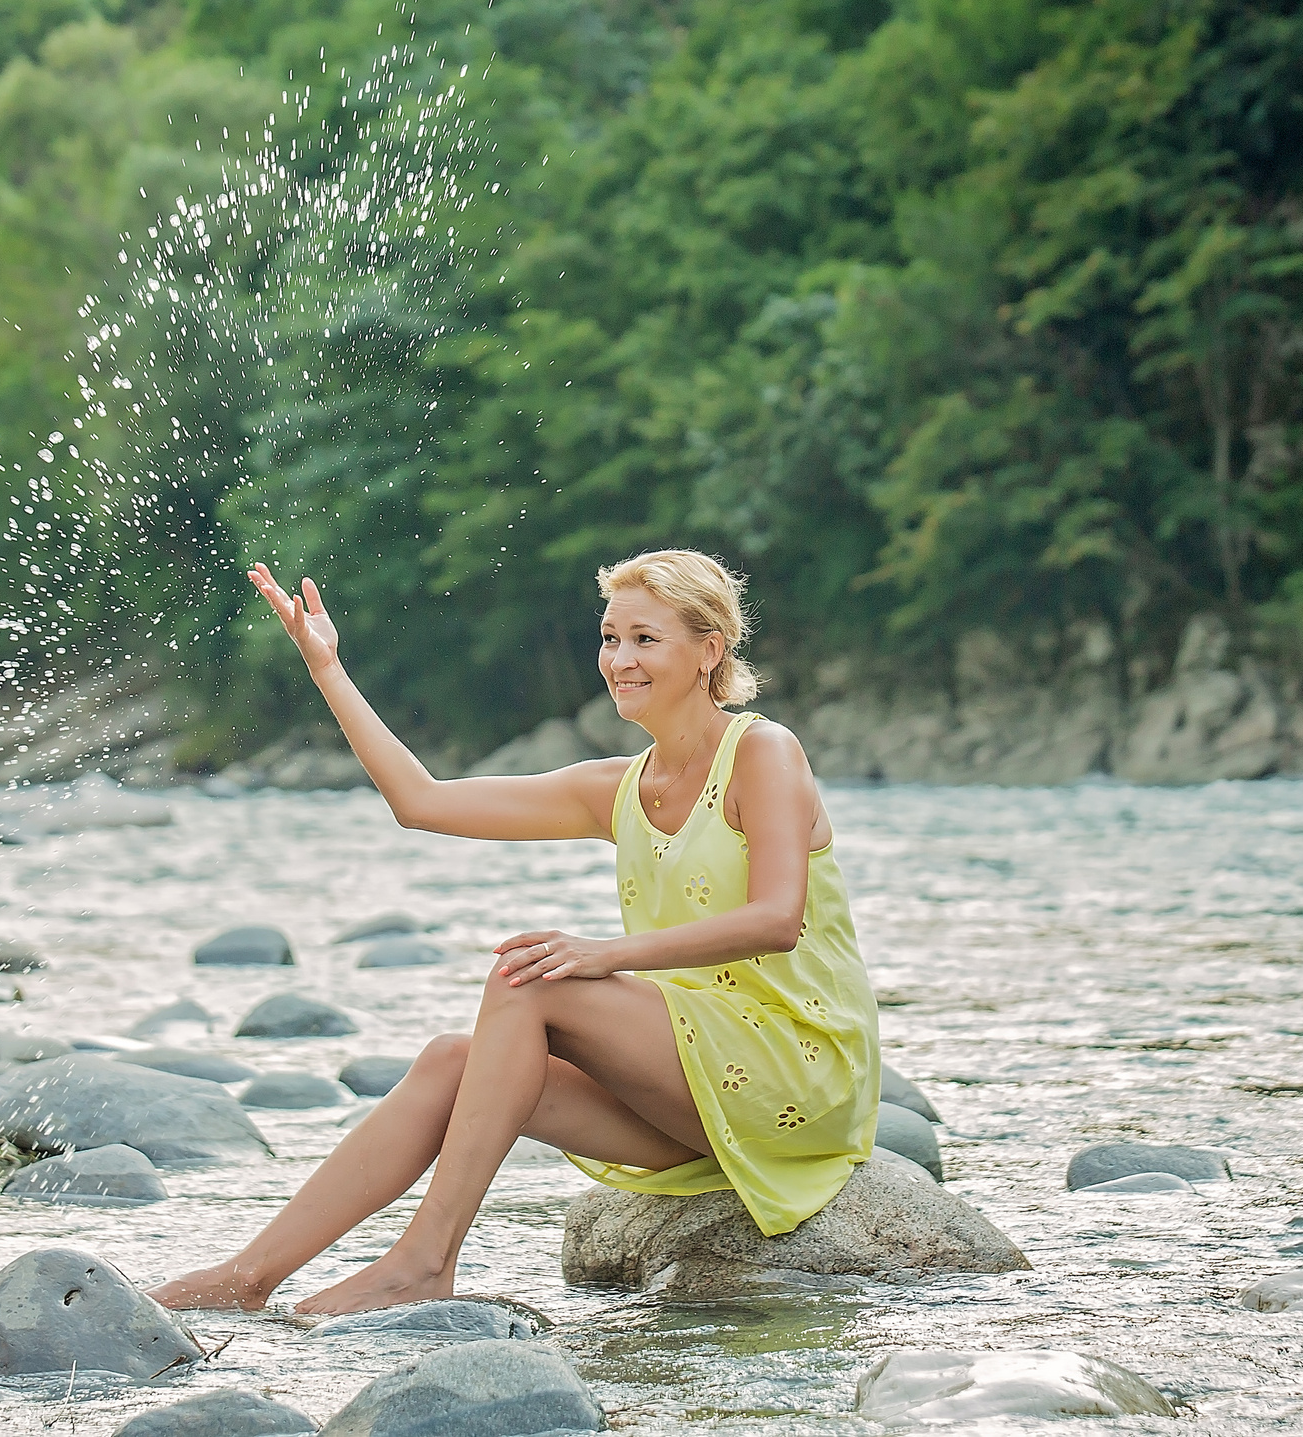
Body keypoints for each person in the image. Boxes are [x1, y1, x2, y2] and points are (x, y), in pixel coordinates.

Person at [146, 548, 878, 1316]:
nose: (619, 660)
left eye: (644, 639)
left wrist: (604, 955)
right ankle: (250, 1275)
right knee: (447, 1064)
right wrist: (327, 666)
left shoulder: (763, 751)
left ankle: (426, 1259)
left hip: (793, 1068)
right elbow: (421, 800)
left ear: (709, 650)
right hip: (690, 1089)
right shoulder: (616, 788)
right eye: (609, 638)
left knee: (528, 980)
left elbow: (777, 918)